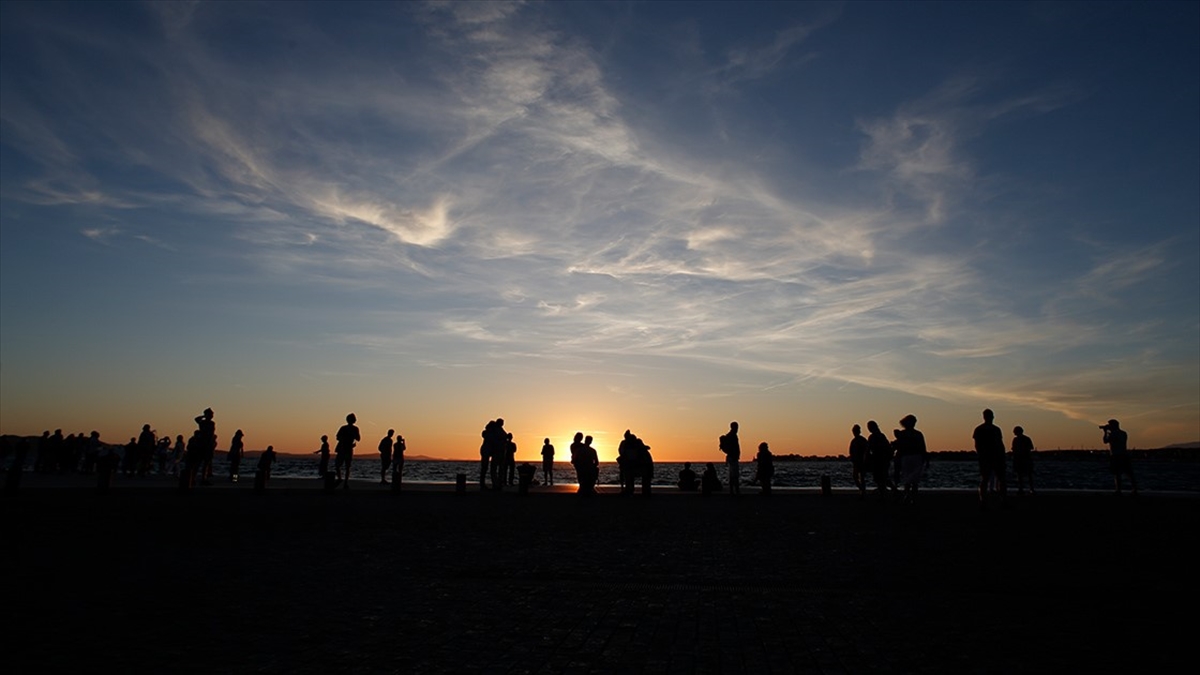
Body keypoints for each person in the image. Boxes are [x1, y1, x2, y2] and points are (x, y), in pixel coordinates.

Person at [973, 409, 1007, 509]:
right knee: (989, 479)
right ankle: (987, 500)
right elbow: (978, 445)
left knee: (995, 479)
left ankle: (991, 500)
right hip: (989, 457)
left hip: (993, 457)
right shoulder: (987, 429)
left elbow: (1000, 444)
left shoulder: (991, 429)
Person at [894, 414, 928, 504]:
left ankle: (909, 496)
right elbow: (922, 447)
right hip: (911, 457)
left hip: (911, 457)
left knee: (910, 479)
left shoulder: (905, 434)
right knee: (911, 479)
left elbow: (922, 447)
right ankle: (910, 496)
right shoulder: (915, 434)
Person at [1102, 419, 1137, 496]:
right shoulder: (1123, 433)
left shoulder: (1113, 434)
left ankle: (1118, 490)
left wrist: (1105, 432)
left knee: (1117, 474)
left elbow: (1105, 441)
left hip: (1116, 455)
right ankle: (1135, 489)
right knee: (1129, 473)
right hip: (1124, 455)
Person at [866, 420, 893, 496]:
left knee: (879, 478)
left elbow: (868, 449)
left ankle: (885, 492)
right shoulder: (882, 436)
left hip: (878, 460)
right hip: (883, 460)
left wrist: (866, 459)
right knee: (883, 477)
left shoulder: (873, 437)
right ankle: (887, 491)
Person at [335, 413, 360, 489]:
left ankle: (342, 480)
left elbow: (338, 437)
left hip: (345, 448)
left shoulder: (345, 428)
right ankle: (344, 481)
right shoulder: (352, 428)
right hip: (346, 448)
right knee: (345, 466)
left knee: (340, 465)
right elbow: (358, 438)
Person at [194, 408, 216, 486]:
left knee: (205, 463)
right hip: (204, 444)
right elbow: (196, 419)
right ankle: (195, 478)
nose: (212, 415)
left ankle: (203, 478)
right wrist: (204, 416)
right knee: (200, 462)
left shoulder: (210, 423)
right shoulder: (204, 423)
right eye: (211, 414)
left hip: (208, 444)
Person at [1011, 426, 1035, 495]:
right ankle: (1030, 489)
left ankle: (1022, 489)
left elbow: (1014, 450)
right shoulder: (1026, 439)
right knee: (1027, 475)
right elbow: (1030, 448)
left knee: (1021, 475)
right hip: (1025, 459)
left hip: (1021, 459)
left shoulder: (1016, 440)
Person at [719, 421, 741, 495]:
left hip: (731, 457)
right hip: (733, 457)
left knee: (732, 475)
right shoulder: (732, 436)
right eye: (736, 427)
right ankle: (736, 491)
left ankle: (732, 490)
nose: (737, 428)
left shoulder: (731, 435)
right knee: (735, 475)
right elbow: (734, 447)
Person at [848, 424, 869, 498]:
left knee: (862, 477)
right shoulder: (854, 441)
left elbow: (866, 450)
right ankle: (862, 490)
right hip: (856, 462)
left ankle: (863, 491)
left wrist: (865, 459)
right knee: (855, 477)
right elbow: (851, 451)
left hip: (862, 462)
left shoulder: (862, 440)